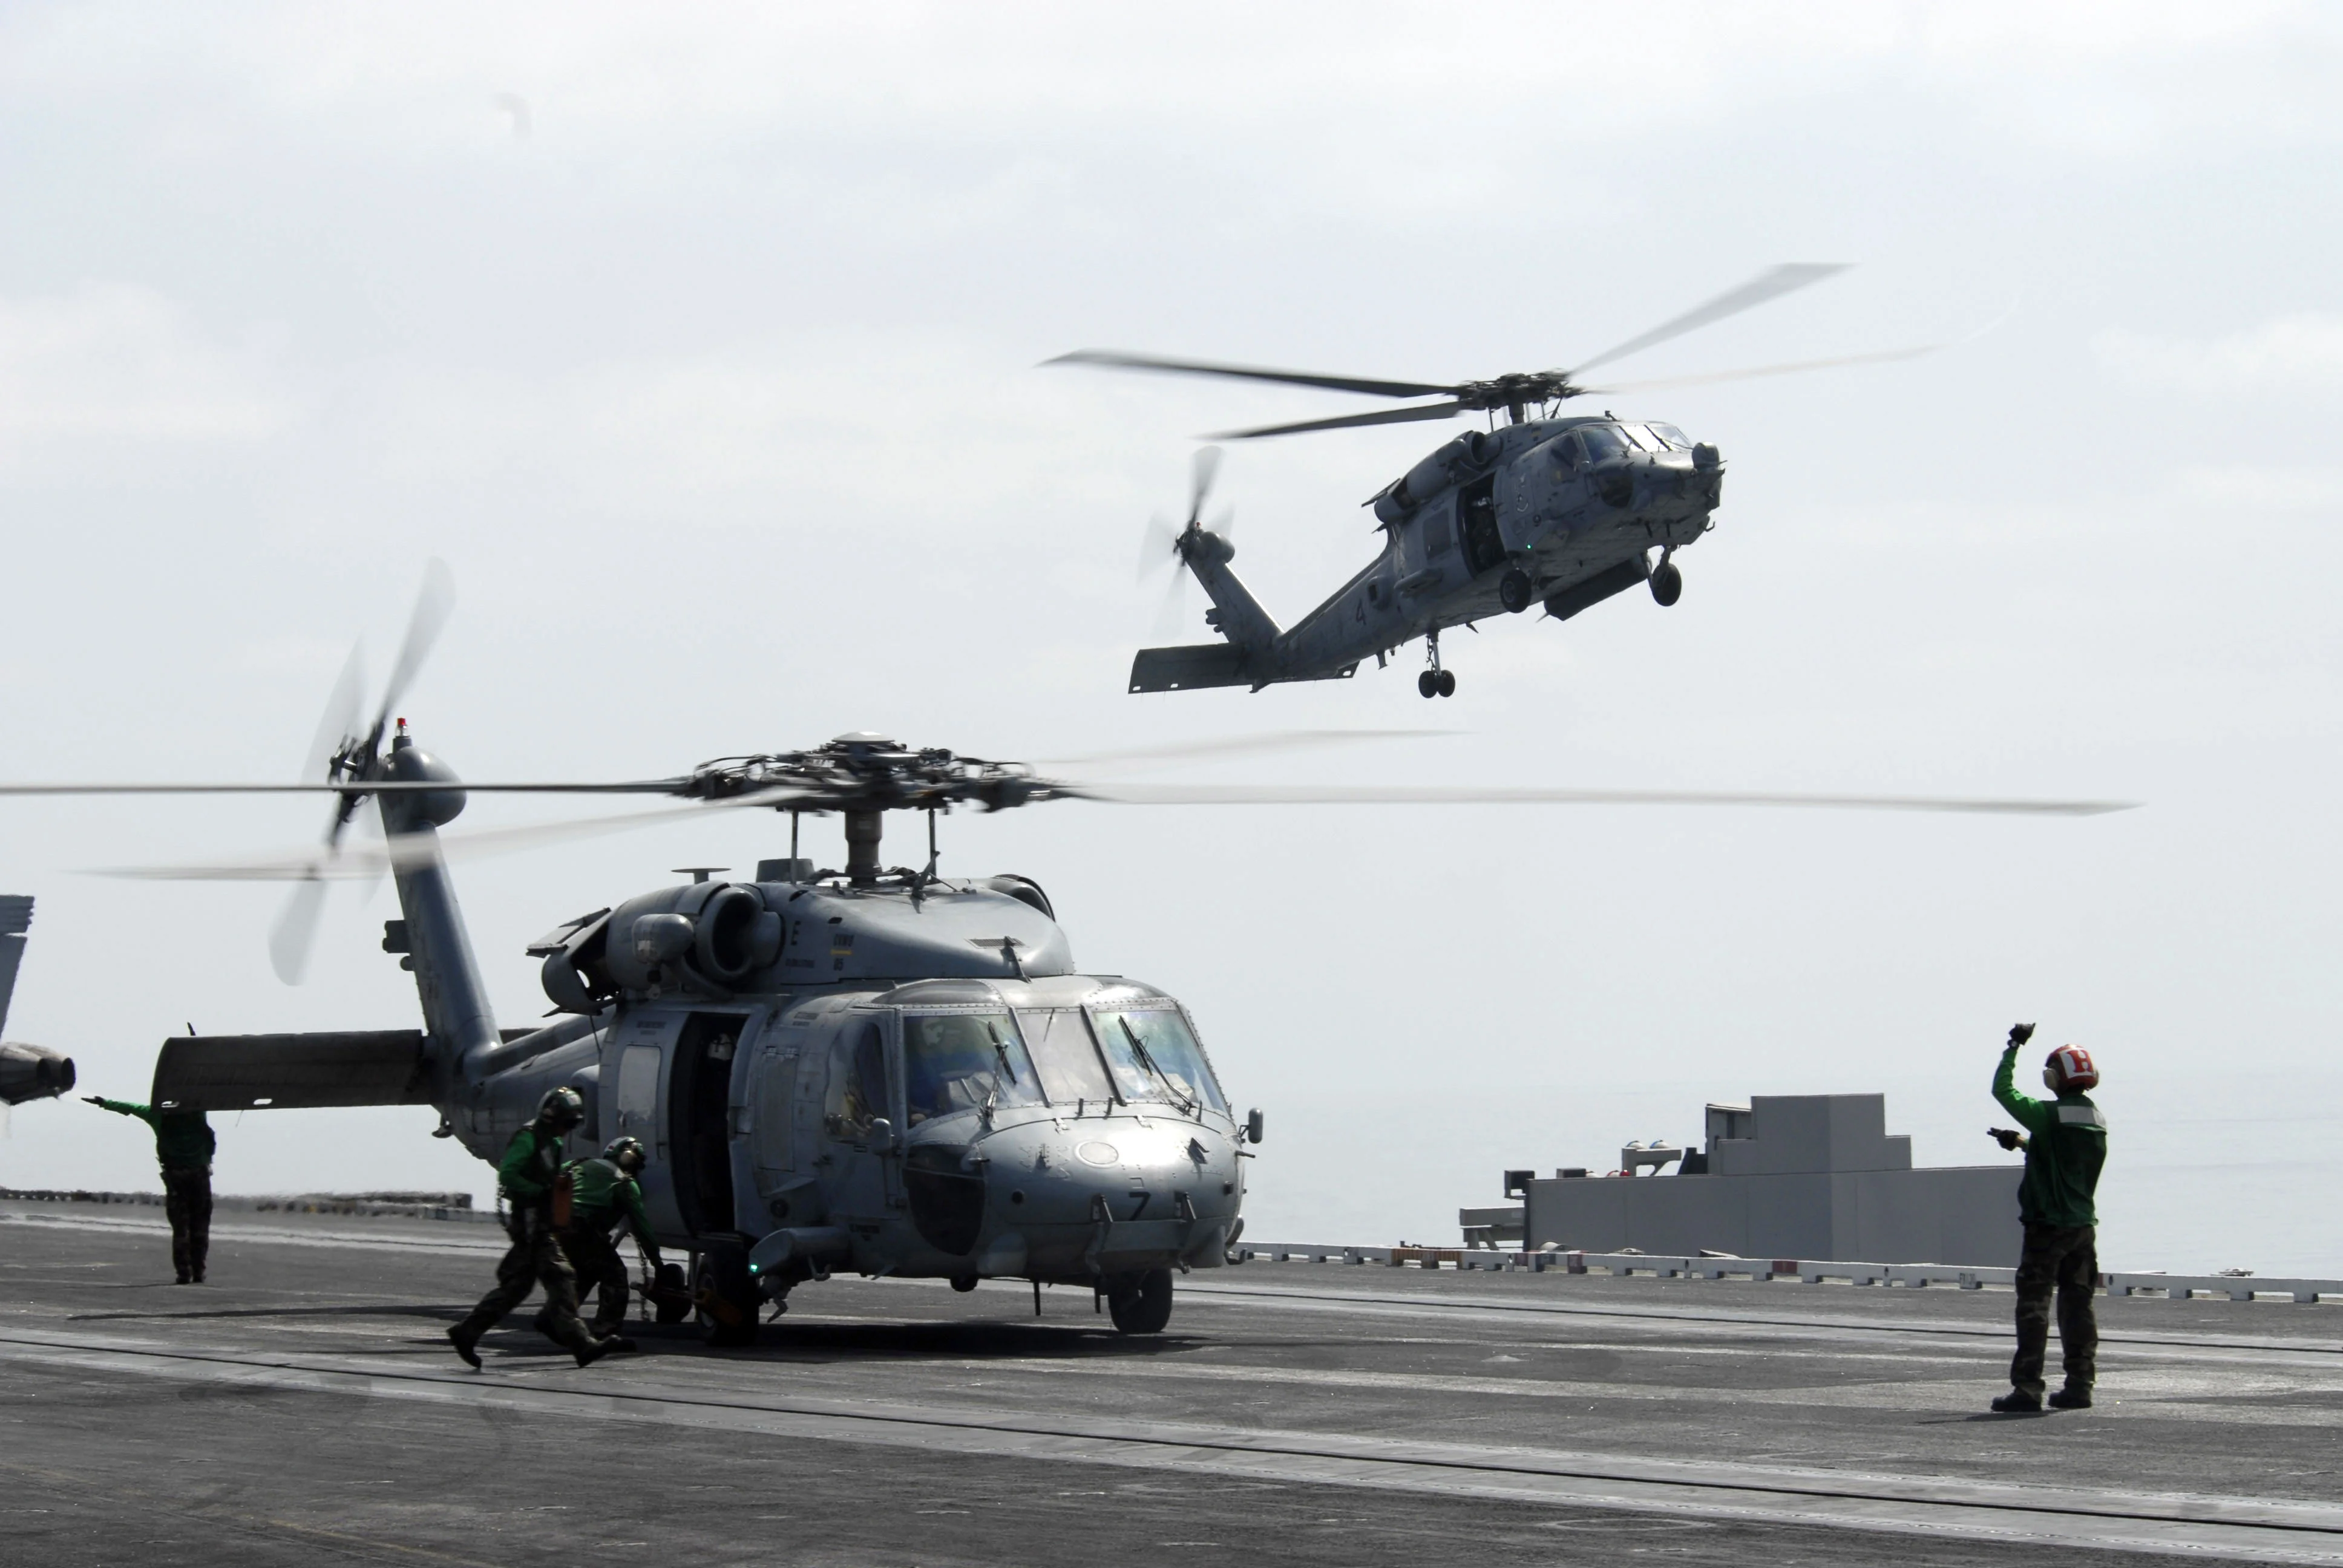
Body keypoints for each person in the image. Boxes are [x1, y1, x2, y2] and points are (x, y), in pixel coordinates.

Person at [1987, 1022, 2108, 1413]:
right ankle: (2079, 1385)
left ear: (2055, 1078)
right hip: (2082, 1228)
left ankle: (2027, 1389)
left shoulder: (2047, 1115)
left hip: (2046, 1228)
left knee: (2034, 1308)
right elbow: (2063, 1162)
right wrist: (2022, 1143)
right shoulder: (2095, 1120)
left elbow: (2002, 1091)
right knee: (2078, 1307)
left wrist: (2013, 1047)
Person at [448, 1086, 612, 1370]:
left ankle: (467, 1332)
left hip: (541, 1220)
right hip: (531, 1222)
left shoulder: (553, 1142)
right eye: (566, 1123)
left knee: (517, 1287)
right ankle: (582, 1344)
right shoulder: (529, 1138)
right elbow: (510, 1174)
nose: (568, 1130)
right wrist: (539, 1192)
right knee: (561, 1278)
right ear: (551, 1118)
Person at [85, 1094, 214, 1284]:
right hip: (200, 1177)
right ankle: (198, 1272)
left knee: (181, 1228)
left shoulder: (161, 1116)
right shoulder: (198, 1114)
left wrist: (104, 1103)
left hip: (176, 1178)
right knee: (200, 1228)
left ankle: (184, 1273)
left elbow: (131, 1108)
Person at [555, 1135, 662, 1346]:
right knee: (616, 1277)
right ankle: (606, 1333)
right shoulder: (624, 1183)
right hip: (581, 1228)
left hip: (556, 1228)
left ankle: (561, 1324)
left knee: (584, 1275)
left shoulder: (575, 1165)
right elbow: (642, 1228)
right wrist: (658, 1264)